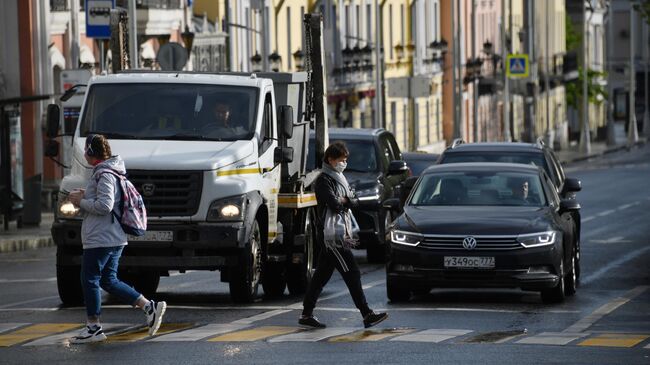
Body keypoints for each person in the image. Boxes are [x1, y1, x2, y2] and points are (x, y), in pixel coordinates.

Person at [67, 134, 166, 344]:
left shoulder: (104, 173)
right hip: (113, 236)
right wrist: (86, 194)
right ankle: (149, 306)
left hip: (101, 237)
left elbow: (105, 205)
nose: (84, 153)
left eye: (86, 150)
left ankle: (93, 327)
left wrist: (81, 201)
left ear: (91, 153)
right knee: (108, 280)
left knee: (89, 279)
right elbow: (106, 199)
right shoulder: (111, 171)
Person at [299, 141, 388, 329]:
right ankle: (367, 314)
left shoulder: (340, 178)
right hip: (332, 236)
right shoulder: (324, 180)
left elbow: (355, 202)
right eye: (341, 159)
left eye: (346, 159)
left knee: (321, 276)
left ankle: (306, 314)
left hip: (340, 232)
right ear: (330, 160)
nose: (344, 163)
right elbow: (334, 204)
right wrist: (346, 200)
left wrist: (345, 200)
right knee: (352, 272)